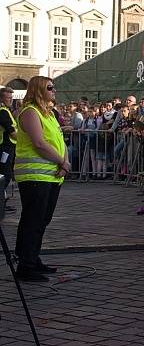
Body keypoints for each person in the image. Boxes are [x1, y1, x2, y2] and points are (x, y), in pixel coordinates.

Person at [14, 76, 70, 282]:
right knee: (33, 220)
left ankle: (32, 258)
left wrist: (65, 160)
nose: (54, 90)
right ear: (38, 90)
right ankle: (25, 265)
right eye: (49, 87)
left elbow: (59, 140)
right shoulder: (30, 112)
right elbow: (38, 142)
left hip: (51, 176)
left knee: (42, 219)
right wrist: (62, 162)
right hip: (34, 174)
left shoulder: (49, 114)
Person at [0, 87, 17, 212]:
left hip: (8, 147)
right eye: (8, 98)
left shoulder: (6, 110)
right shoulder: (2, 111)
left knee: (6, 174)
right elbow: (12, 132)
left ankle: (3, 202)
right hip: (4, 148)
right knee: (4, 174)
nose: (11, 100)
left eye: (12, 98)